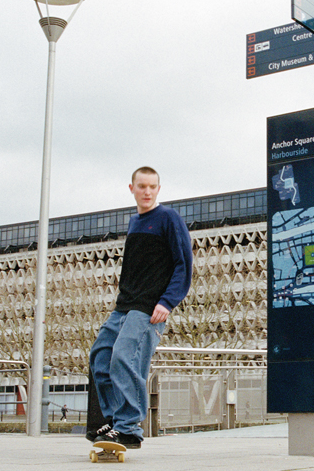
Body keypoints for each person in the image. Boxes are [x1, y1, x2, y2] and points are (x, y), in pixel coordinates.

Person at [88, 166, 193, 449]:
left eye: (152, 187)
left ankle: (129, 428)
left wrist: (167, 302)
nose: (147, 191)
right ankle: (114, 421)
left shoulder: (168, 218)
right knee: (100, 358)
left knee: (124, 357)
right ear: (131, 188)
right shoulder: (135, 222)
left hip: (150, 307)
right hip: (125, 305)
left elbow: (184, 264)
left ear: (159, 189)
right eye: (142, 186)